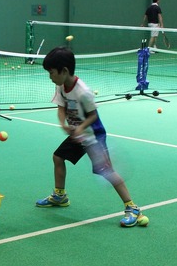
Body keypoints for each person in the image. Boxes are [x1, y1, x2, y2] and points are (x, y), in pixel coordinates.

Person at [35, 47, 149, 228]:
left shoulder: (83, 92)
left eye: (51, 72)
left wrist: (79, 128)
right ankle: (60, 195)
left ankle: (132, 208)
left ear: (64, 71)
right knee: (58, 157)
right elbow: (61, 107)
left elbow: (93, 116)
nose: (50, 76)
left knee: (106, 171)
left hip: (92, 136)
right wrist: (63, 123)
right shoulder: (60, 86)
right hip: (77, 134)